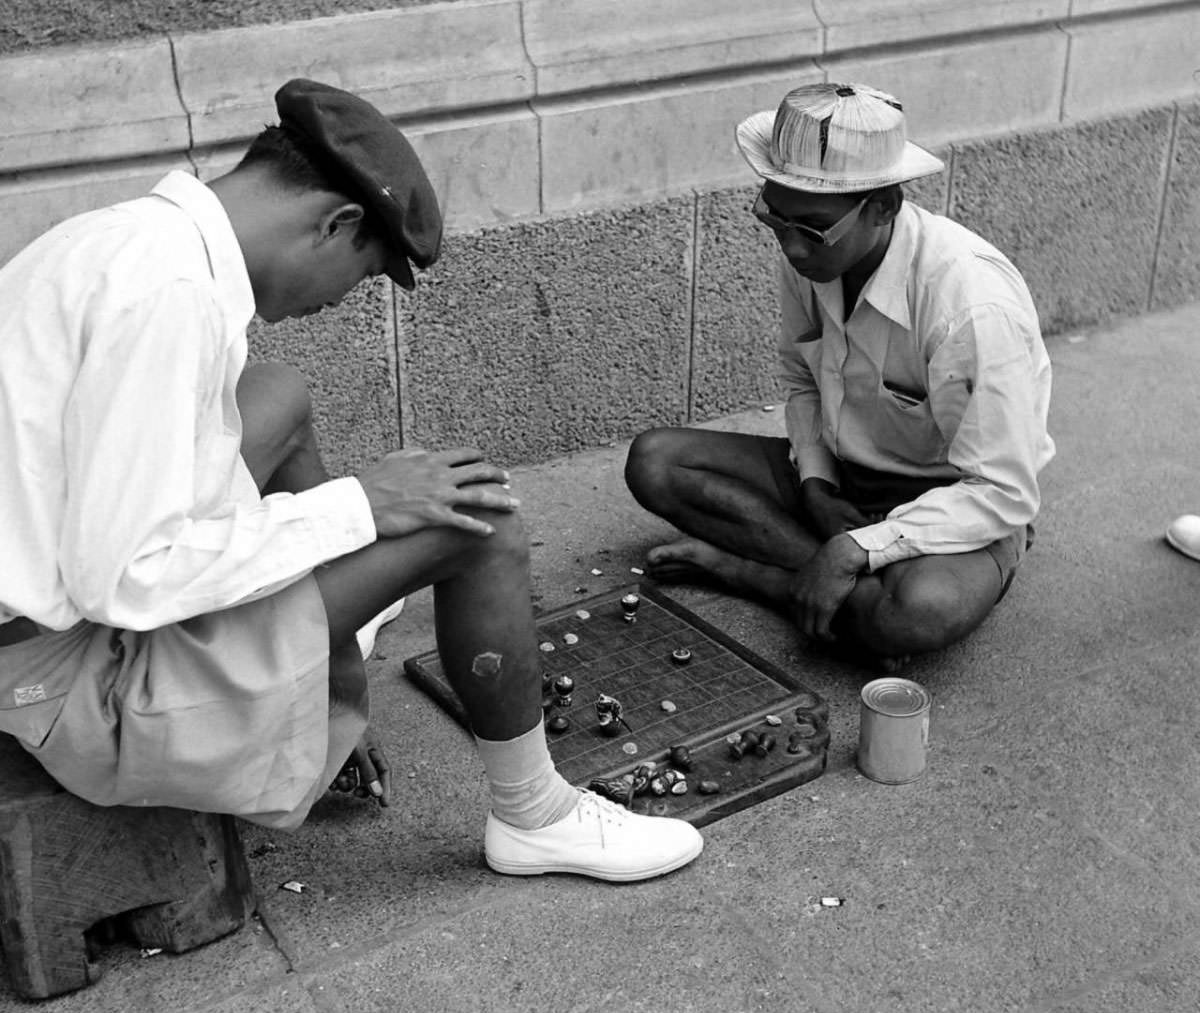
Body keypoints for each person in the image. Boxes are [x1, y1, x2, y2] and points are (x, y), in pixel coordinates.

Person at [0, 78, 702, 883]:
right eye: (363, 276)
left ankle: (315, 675)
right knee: (478, 520)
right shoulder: (169, 296)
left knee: (276, 395)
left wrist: (320, 664)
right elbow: (128, 577)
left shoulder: (136, 238)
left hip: (45, 610)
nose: (340, 302)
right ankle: (534, 817)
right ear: (336, 224)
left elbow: (148, 494)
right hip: (74, 680)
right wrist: (359, 506)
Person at [625, 82, 1054, 668]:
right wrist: (817, 484)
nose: (792, 248)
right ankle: (837, 595)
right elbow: (802, 381)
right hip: (847, 476)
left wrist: (859, 546)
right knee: (655, 461)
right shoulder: (810, 251)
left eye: (811, 229)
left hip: (954, 497)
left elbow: (1004, 490)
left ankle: (764, 577)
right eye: (774, 219)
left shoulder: (971, 306)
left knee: (918, 611)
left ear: (883, 208)